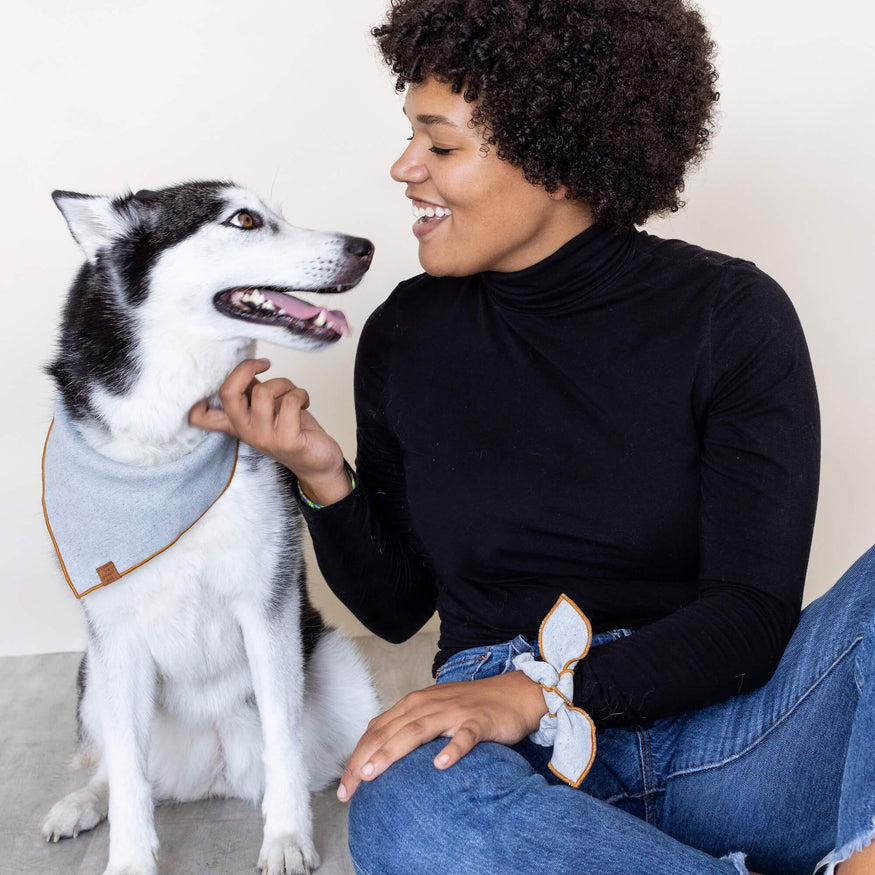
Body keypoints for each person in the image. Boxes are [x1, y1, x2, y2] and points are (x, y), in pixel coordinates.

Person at [189, 1, 875, 872]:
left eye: (440, 145)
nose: (404, 167)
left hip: (729, 741)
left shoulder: (731, 315)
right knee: (403, 800)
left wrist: (541, 691)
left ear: (555, 161)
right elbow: (398, 609)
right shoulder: (406, 334)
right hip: (508, 760)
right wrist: (322, 474)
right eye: (410, 135)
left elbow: (748, 614)